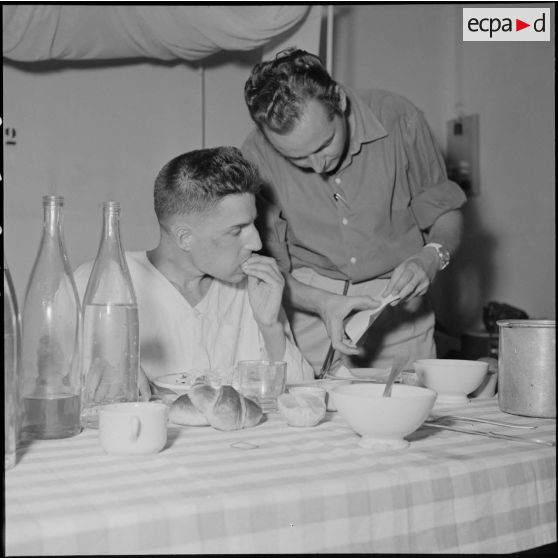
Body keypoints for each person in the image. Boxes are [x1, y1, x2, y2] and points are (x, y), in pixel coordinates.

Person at [242, 48, 467, 374]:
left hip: (398, 306)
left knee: (403, 415)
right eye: (297, 159)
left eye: (323, 145)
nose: (317, 166)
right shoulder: (255, 153)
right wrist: (321, 303)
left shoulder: (399, 118)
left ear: (339, 101)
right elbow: (269, 271)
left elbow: (445, 211)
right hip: (308, 306)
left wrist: (431, 257)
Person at [74, 147, 314, 401]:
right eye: (237, 230)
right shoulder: (99, 284)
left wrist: (270, 326)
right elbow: (55, 388)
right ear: (185, 238)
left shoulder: (252, 289)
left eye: (253, 224)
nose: (256, 242)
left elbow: (302, 401)